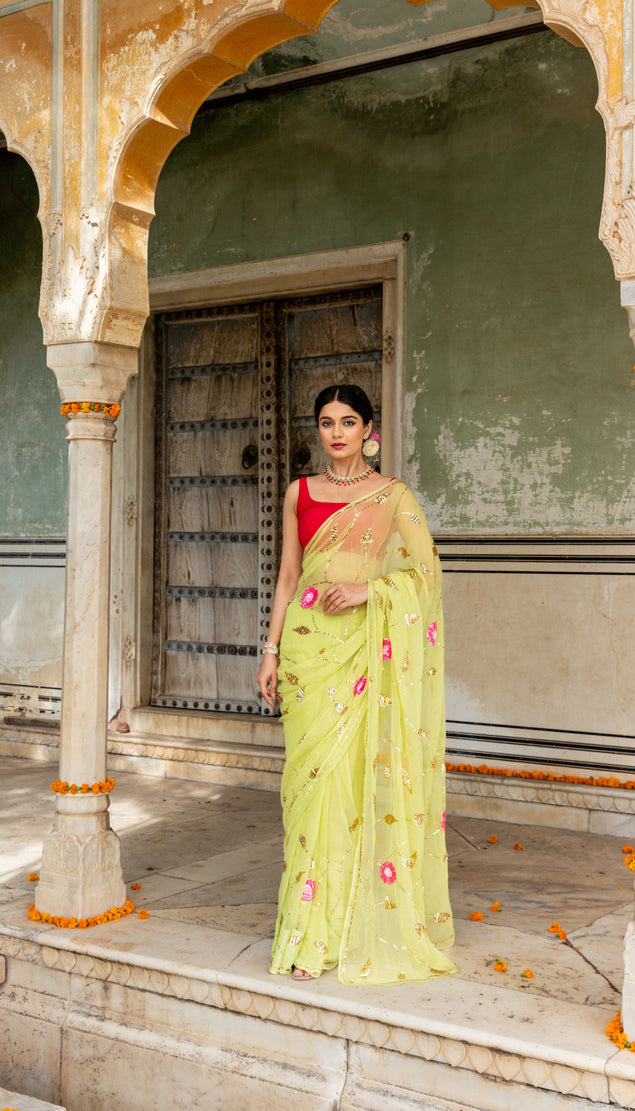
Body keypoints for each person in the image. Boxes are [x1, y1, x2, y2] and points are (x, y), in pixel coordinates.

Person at [256, 384, 456, 984]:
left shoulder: (393, 496)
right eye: (325, 422)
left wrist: (374, 592)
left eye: (348, 421)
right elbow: (288, 576)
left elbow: (426, 573)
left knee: (350, 782)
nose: (336, 432)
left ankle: (338, 931)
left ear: (369, 429)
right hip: (305, 652)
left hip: (365, 649)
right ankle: (306, 925)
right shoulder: (299, 493)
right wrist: (270, 651)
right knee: (309, 788)